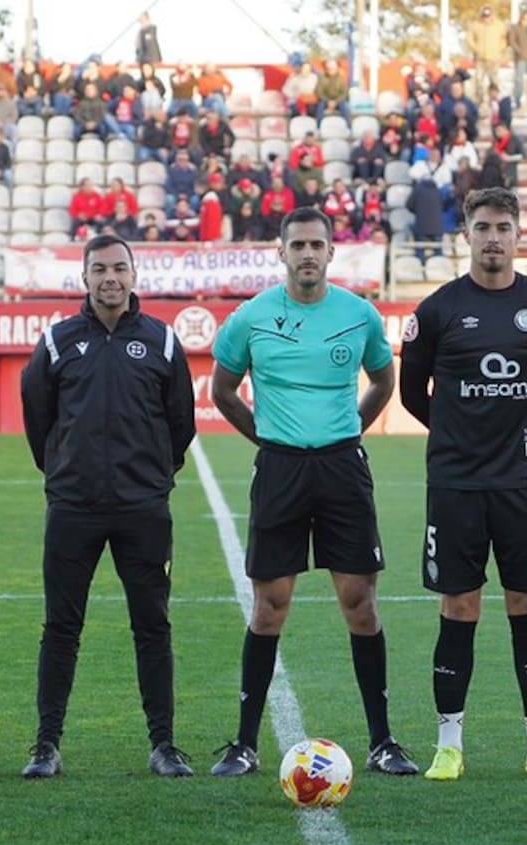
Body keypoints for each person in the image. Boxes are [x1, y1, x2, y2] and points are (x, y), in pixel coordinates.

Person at [208, 206, 419, 779]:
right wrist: (267, 439)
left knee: (361, 605)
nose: (306, 254)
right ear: (281, 252)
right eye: (296, 244)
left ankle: (382, 741)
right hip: (280, 470)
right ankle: (245, 745)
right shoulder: (251, 319)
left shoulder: (360, 315)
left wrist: (351, 426)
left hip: (341, 470)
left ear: (331, 253)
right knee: (269, 607)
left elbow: (383, 378)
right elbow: (223, 390)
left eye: (315, 245)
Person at [399, 187, 527, 783]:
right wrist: (459, 433)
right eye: (483, 227)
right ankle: (449, 744)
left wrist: (513, 431)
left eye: (504, 226)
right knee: (460, 605)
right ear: (466, 235)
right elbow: (410, 393)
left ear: (518, 233)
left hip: (524, 482)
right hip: (455, 484)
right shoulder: (437, 310)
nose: (493, 237)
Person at [19, 234, 196, 779]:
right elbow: (37, 419)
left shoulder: (163, 342)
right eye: (100, 269)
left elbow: (180, 423)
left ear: (135, 275)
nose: (110, 278)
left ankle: (163, 745)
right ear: (85, 278)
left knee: (153, 626)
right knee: (61, 628)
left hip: (143, 509)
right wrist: (65, 474)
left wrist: (152, 479)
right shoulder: (57, 341)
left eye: (119, 268)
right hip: (74, 508)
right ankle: (46, 746)